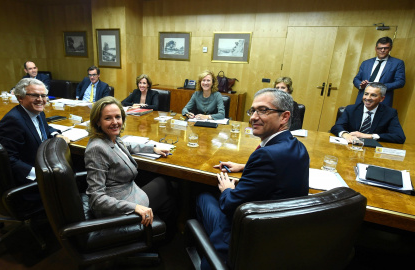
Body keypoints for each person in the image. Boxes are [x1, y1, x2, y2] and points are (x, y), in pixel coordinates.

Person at [196, 88, 310, 269]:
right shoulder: (297, 147)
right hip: (280, 233)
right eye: (253, 110)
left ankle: (210, 253)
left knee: (203, 197)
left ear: (284, 117)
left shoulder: (266, 156)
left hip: (247, 238)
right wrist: (244, 166)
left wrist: (227, 189)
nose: (253, 117)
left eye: (263, 110)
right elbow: (276, 170)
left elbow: (229, 204)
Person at [84, 96, 176, 228]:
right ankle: (158, 235)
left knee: (167, 193)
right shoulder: (97, 149)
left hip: (127, 190)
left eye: (118, 117)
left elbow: (126, 145)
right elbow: (96, 199)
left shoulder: (111, 136)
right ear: (97, 121)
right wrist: (135, 207)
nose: (115, 122)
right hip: (117, 207)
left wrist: (153, 148)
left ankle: (159, 232)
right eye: (108, 118)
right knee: (166, 185)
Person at [0, 78, 69, 185]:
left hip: (45, 164)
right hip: (30, 180)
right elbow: (8, 160)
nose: (40, 99)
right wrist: (40, 175)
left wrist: (56, 134)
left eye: (43, 96)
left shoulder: (37, 112)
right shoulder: (13, 121)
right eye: (34, 95)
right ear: (20, 97)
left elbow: (44, 128)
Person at [331, 82, 405, 144]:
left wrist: (367, 136)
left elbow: (399, 137)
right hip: (350, 146)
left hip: (373, 150)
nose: (368, 98)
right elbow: (336, 127)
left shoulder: (389, 113)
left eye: (373, 95)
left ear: (382, 99)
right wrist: (345, 135)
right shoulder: (351, 109)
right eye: (366, 94)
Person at [353, 36, 405, 107]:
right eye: (380, 48)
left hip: (383, 99)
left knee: (379, 118)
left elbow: (400, 82)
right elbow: (356, 79)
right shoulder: (366, 63)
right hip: (363, 98)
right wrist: (361, 85)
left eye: (386, 48)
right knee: (358, 117)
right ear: (376, 48)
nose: (382, 50)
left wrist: (380, 87)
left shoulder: (397, 63)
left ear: (390, 48)